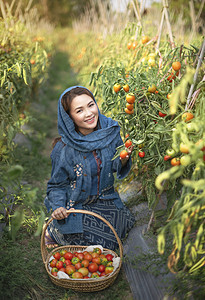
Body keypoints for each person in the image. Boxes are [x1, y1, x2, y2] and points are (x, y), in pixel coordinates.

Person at [44, 86, 135, 250]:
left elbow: (114, 166)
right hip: (76, 205)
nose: (89, 113)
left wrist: (123, 158)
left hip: (104, 200)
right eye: (79, 111)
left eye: (91, 105)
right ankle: (53, 231)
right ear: (69, 117)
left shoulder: (109, 131)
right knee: (94, 243)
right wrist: (58, 207)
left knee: (123, 226)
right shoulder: (64, 149)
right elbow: (56, 185)